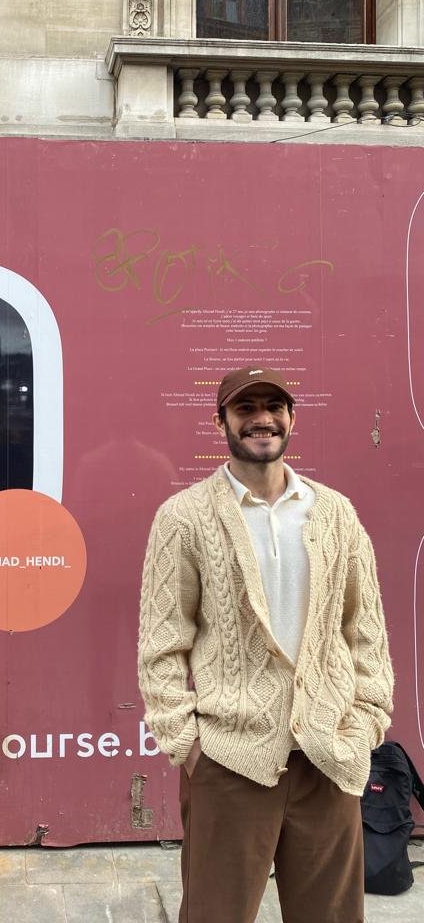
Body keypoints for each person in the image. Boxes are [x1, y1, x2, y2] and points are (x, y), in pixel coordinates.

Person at [138, 366, 394, 923]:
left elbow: (365, 630)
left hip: (327, 756)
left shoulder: (335, 513)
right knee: (214, 914)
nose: (262, 419)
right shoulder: (183, 518)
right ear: (221, 422)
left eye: (274, 407)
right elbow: (162, 644)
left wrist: (364, 724)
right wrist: (189, 744)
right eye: (245, 408)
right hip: (230, 759)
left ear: (291, 418)